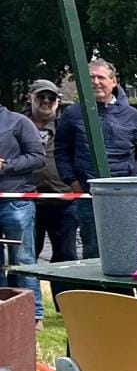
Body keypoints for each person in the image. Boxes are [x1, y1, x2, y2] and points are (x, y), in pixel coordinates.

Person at [55, 58, 137, 260]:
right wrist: (72, 181)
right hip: (89, 196)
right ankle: (97, 292)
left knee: (135, 251)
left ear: (114, 81)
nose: (95, 82)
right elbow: (61, 151)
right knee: (94, 253)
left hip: (127, 196)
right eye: (90, 78)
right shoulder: (72, 114)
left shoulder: (134, 117)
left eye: (100, 77)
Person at [0, 97, 45, 325]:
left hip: (16, 200)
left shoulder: (19, 122)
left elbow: (38, 157)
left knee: (24, 259)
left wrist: (5, 166)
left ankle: (34, 314)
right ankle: (2, 313)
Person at [27, 81, 78, 263]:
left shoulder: (68, 125)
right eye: (41, 96)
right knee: (27, 257)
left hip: (64, 201)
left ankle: (64, 293)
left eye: (52, 97)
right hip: (28, 201)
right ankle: (28, 292)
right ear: (30, 97)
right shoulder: (18, 125)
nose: (46, 101)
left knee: (66, 257)